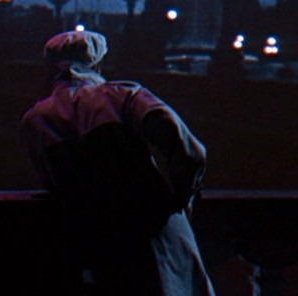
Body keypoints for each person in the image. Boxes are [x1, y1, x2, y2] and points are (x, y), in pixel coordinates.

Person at [20, 30, 215, 295]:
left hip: (100, 245)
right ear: (97, 64)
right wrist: (183, 197)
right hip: (155, 232)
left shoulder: (35, 120)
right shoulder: (123, 96)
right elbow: (189, 151)